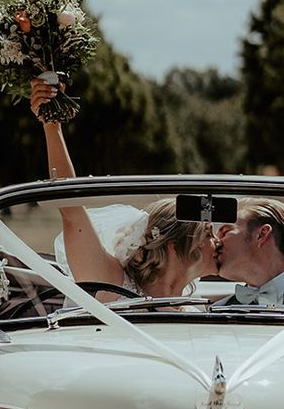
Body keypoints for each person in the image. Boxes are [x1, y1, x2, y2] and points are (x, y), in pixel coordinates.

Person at [30, 77, 217, 299]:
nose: (217, 241)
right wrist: (52, 125)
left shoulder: (198, 307)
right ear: (175, 247)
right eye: (207, 234)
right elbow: (71, 208)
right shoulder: (113, 285)